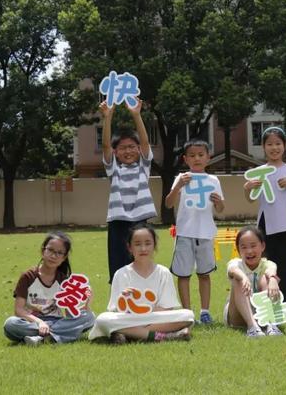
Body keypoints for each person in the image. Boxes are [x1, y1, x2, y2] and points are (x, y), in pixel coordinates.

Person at [89, 224, 194, 343]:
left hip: (155, 317)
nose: (143, 249)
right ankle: (163, 336)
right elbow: (117, 310)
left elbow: (167, 308)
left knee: (188, 315)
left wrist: (146, 313)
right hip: (129, 318)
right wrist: (124, 299)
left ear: (154, 246)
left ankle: (127, 333)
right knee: (103, 319)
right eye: (138, 244)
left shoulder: (163, 272)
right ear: (129, 248)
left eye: (148, 243)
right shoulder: (121, 273)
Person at [243, 126, 286, 302]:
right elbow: (251, 199)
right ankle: (265, 302)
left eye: (278, 143)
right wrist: (247, 188)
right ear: (263, 147)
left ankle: (283, 303)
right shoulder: (260, 172)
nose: (274, 148)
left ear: (285, 145)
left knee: (285, 268)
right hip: (265, 225)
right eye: (270, 144)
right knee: (264, 266)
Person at [164, 139, 224, 325]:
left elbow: (221, 209)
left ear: (208, 158)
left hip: (205, 233)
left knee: (204, 274)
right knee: (183, 275)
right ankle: (187, 312)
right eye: (192, 155)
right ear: (185, 159)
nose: (196, 158)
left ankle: (205, 312)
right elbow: (168, 203)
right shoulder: (181, 178)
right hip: (184, 233)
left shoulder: (213, 180)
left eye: (201, 155)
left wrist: (218, 202)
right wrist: (178, 186)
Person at [100, 98, 157, 284]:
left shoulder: (143, 167)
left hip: (140, 220)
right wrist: (107, 117)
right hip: (118, 221)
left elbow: (147, 143)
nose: (128, 151)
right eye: (123, 148)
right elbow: (106, 146)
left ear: (139, 150)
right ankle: (118, 302)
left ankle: (142, 299)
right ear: (116, 153)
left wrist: (136, 115)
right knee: (117, 266)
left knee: (141, 262)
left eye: (132, 147)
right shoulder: (114, 169)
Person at [3, 232, 95, 345]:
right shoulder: (28, 276)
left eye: (59, 253)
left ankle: (42, 339)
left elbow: (70, 314)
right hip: (32, 322)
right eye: (50, 250)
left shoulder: (64, 280)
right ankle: (55, 337)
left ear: (64, 257)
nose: (53, 256)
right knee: (10, 324)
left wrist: (86, 304)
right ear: (43, 251)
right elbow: (19, 310)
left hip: (57, 321)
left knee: (90, 317)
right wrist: (40, 322)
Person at [224, 226, 284, 338]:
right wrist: (243, 277)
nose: (249, 251)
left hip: (260, 313)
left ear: (262, 246)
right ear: (238, 250)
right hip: (237, 315)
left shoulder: (268, 264)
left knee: (267, 278)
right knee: (238, 280)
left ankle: (271, 324)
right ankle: (252, 328)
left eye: (253, 246)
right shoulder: (236, 263)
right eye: (244, 247)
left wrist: (272, 279)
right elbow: (233, 270)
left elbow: (271, 270)